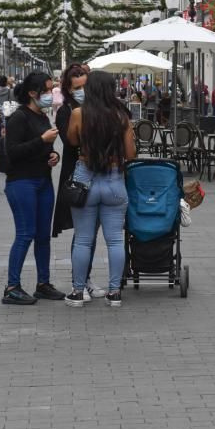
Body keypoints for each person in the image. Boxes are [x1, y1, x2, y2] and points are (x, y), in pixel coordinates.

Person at [65, 71, 136, 308]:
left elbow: (72, 141)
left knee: (84, 240)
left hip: (85, 178)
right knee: (115, 240)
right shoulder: (121, 116)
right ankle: (114, 292)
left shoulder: (78, 114)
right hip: (114, 180)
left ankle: (77, 291)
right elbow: (130, 154)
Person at [2, 71, 65, 305]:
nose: (50, 94)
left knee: (42, 236)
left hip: (43, 180)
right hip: (22, 182)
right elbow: (13, 151)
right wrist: (42, 141)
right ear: (32, 93)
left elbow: (43, 149)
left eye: (51, 90)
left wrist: (53, 155)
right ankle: (12, 287)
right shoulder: (19, 118)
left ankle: (43, 283)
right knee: (25, 234)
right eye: (46, 91)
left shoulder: (42, 117)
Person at [51, 63, 106, 301]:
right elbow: (72, 142)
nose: (81, 91)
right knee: (83, 233)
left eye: (85, 86)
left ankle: (85, 278)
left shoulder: (101, 109)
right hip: (78, 176)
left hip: (101, 175)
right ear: (69, 90)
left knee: (92, 232)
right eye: (76, 88)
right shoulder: (67, 112)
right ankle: (80, 281)